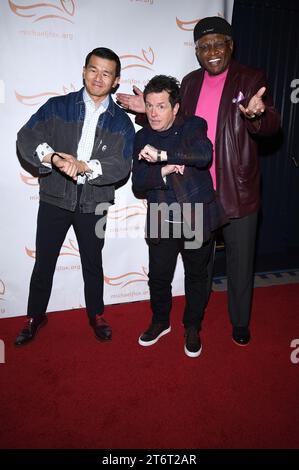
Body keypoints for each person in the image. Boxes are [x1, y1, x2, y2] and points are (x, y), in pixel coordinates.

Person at [117, 17, 280, 346]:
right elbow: (171, 119)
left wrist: (257, 116)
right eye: (204, 46)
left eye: (219, 43)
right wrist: (144, 109)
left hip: (236, 189)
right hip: (192, 192)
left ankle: (239, 322)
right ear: (196, 51)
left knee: (239, 262)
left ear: (230, 45)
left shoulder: (250, 78)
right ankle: (195, 320)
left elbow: (270, 123)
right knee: (199, 265)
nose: (212, 51)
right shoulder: (189, 82)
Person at [15, 47, 135, 346]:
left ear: (116, 81)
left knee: (93, 262)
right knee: (44, 261)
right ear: (83, 71)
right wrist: (53, 158)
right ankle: (34, 315)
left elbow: (121, 165)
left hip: (94, 203)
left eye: (106, 73)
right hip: (55, 197)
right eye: (93, 70)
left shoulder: (121, 122)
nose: (98, 77)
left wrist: (84, 167)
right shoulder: (57, 107)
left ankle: (96, 314)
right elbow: (26, 137)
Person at [132, 75, 226, 357]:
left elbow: (202, 154)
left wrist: (163, 156)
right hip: (161, 212)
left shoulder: (193, 125)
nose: (153, 113)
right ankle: (161, 322)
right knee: (159, 277)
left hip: (195, 212)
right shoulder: (141, 136)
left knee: (197, 276)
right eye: (149, 106)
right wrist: (163, 170)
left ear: (175, 108)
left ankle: (192, 326)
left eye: (161, 106)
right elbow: (138, 182)